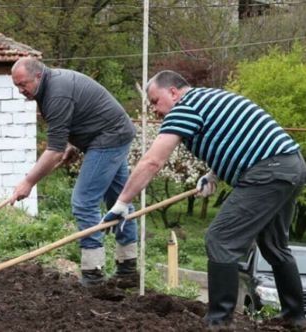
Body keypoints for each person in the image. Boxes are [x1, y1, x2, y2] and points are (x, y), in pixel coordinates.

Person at [103, 70, 306, 328]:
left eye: (155, 101)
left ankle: (219, 321)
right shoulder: (208, 99)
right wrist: (212, 175)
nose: (155, 110)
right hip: (290, 165)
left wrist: (121, 204)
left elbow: (152, 161)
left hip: (269, 170)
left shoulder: (184, 108)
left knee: (220, 239)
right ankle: (295, 316)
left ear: (173, 92)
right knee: (274, 246)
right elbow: (234, 141)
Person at [10, 57, 138, 288]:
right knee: (119, 201)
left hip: (109, 137)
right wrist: (73, 145)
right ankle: (127, 268)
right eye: (17, 86)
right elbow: (82, 117)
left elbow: (54, 152)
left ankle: (93, 275)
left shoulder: (56, 94)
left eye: (23, 84)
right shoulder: (51, 85)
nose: (21, 90)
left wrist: (28, 182)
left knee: (83, 202)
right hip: (112, 132)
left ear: (38, 76)